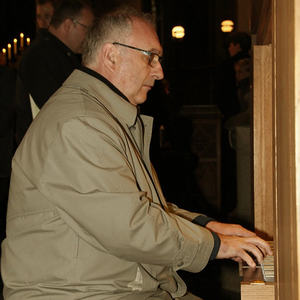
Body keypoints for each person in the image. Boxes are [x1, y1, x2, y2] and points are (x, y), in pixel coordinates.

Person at [1, 6, 272, 300]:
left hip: (113, 286)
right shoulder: (78, 123)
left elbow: (138, 208)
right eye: (151, 57)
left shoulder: (101, 116)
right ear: (111, 55)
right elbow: (131, 228)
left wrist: (206, 225)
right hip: (78, 293)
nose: (159, 71)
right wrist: (216, 244)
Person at [15, 0, 94, 145]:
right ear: (69, 25)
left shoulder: (60, 54)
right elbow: (57, 109)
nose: (89, 37)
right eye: (87, 29)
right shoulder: (40, 55)